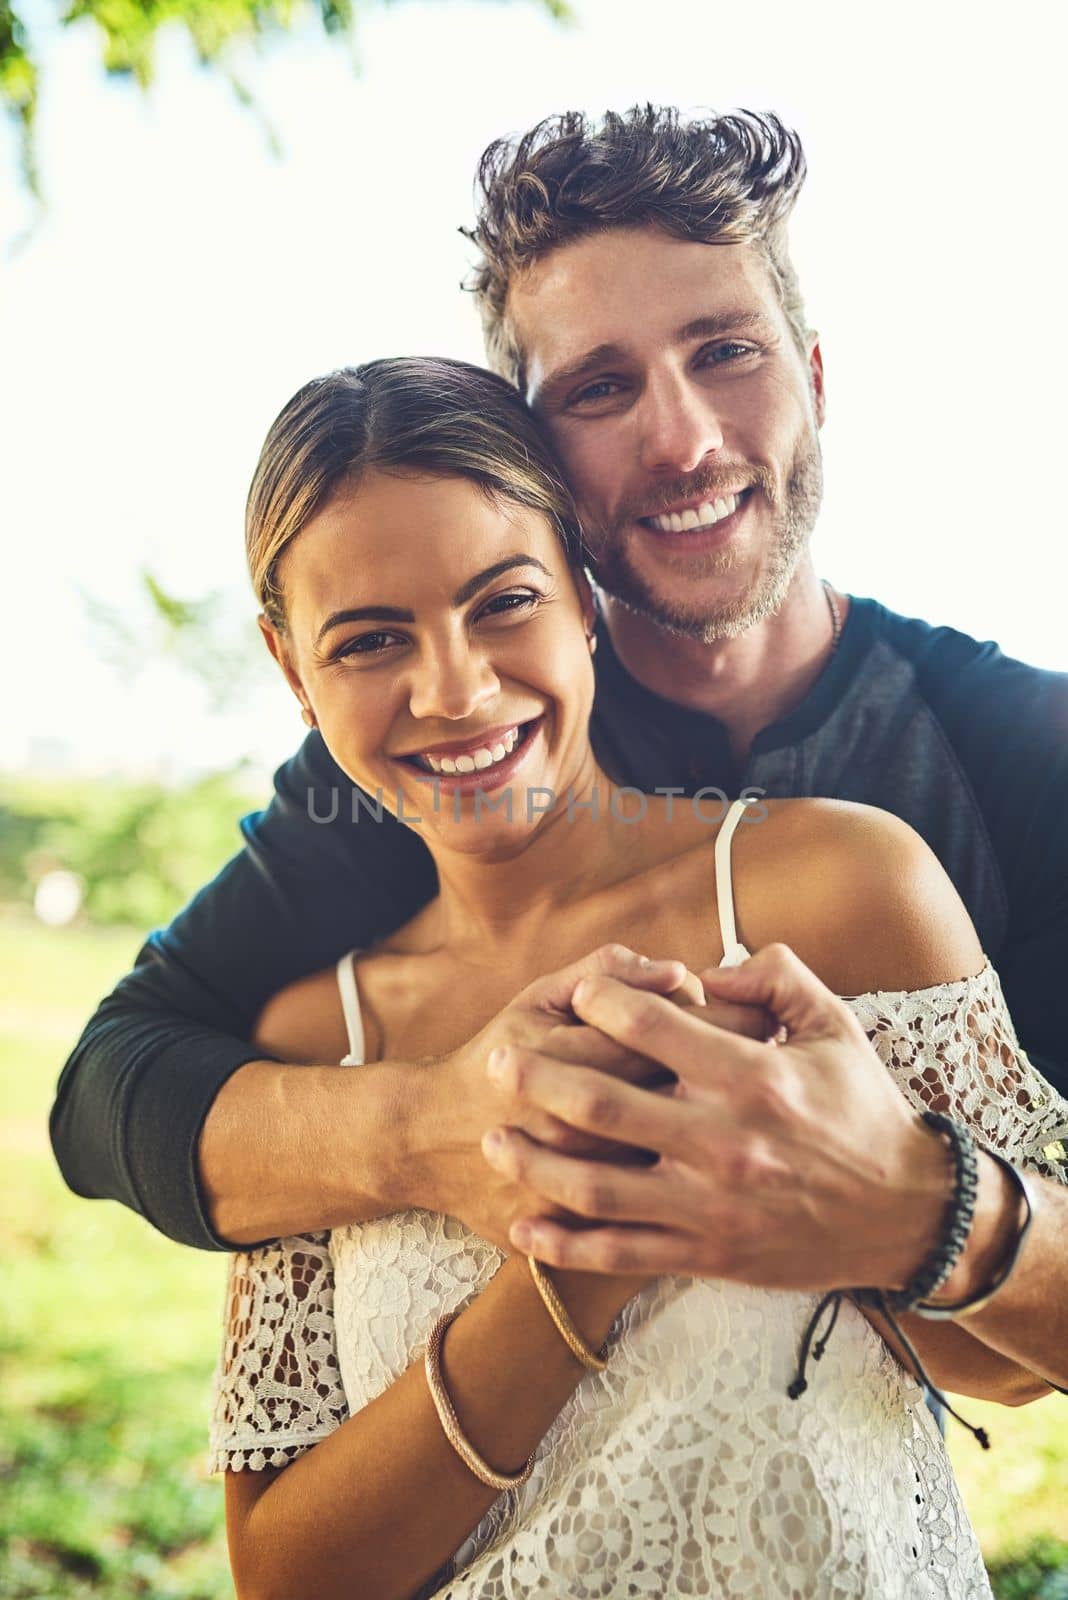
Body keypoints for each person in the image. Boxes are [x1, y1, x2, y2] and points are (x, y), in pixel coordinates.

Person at [50, 110, 1068, 1383]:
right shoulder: (465, 747)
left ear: (816, 376)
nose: (685, 438)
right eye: (600, 386)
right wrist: (431, 1126)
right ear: (535, 454)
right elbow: (107, 1091)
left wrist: (924, 1213)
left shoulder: (1031, 753)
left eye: (727, 351)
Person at [210, 355, 1061, 1600]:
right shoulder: (305, 1045)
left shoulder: (837, 890)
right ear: (294, 673)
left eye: (503, 601)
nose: (454, 688)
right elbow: (290, 1577)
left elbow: (1020, 1361)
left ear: (584, 601)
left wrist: (905, 1194)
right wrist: (574, 1265)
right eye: (371, 639)